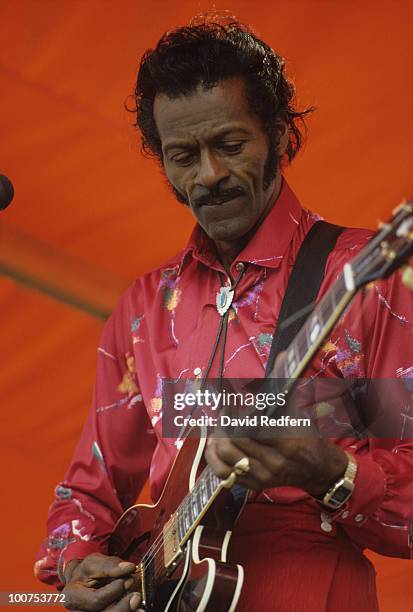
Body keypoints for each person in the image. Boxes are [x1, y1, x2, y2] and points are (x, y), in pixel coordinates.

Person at [35, 14, 413, 612]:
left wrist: (332, 472)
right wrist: (78, 568)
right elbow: (84, 498)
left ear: (280, 135)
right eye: (183, 156)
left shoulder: (367, 276)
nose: (208, 175)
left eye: (230, 145)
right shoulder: (142, 308)